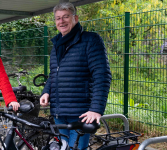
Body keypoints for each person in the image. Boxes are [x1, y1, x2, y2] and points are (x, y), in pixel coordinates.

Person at [40, 2, 112, 150]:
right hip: (59, 112)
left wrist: (96, 109)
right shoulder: (56, 45)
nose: (61, 21)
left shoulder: (90, 40)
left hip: (81, 114)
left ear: (76, 18)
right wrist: (46, 91)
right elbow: (55, 73)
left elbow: (102, 75)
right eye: (58, 18)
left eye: (66, 17)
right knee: (62, 147)